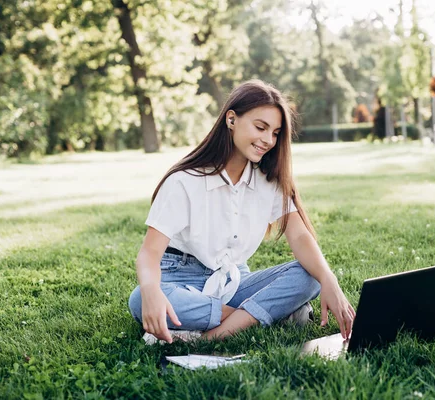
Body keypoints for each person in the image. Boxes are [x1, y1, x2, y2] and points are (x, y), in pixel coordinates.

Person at [128, 79, 356, 344]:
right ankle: (262, 316)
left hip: (234, 283)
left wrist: (329, 280)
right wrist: (151, 290)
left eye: (275, 133)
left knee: (310, 276)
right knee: (139, 300)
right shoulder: (184, 181)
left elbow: (299, 236)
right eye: (260, 127)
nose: (268, 140)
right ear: (231, 119)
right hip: (180, 278)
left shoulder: (269, 181)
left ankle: (210, 336)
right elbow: (149, 253)